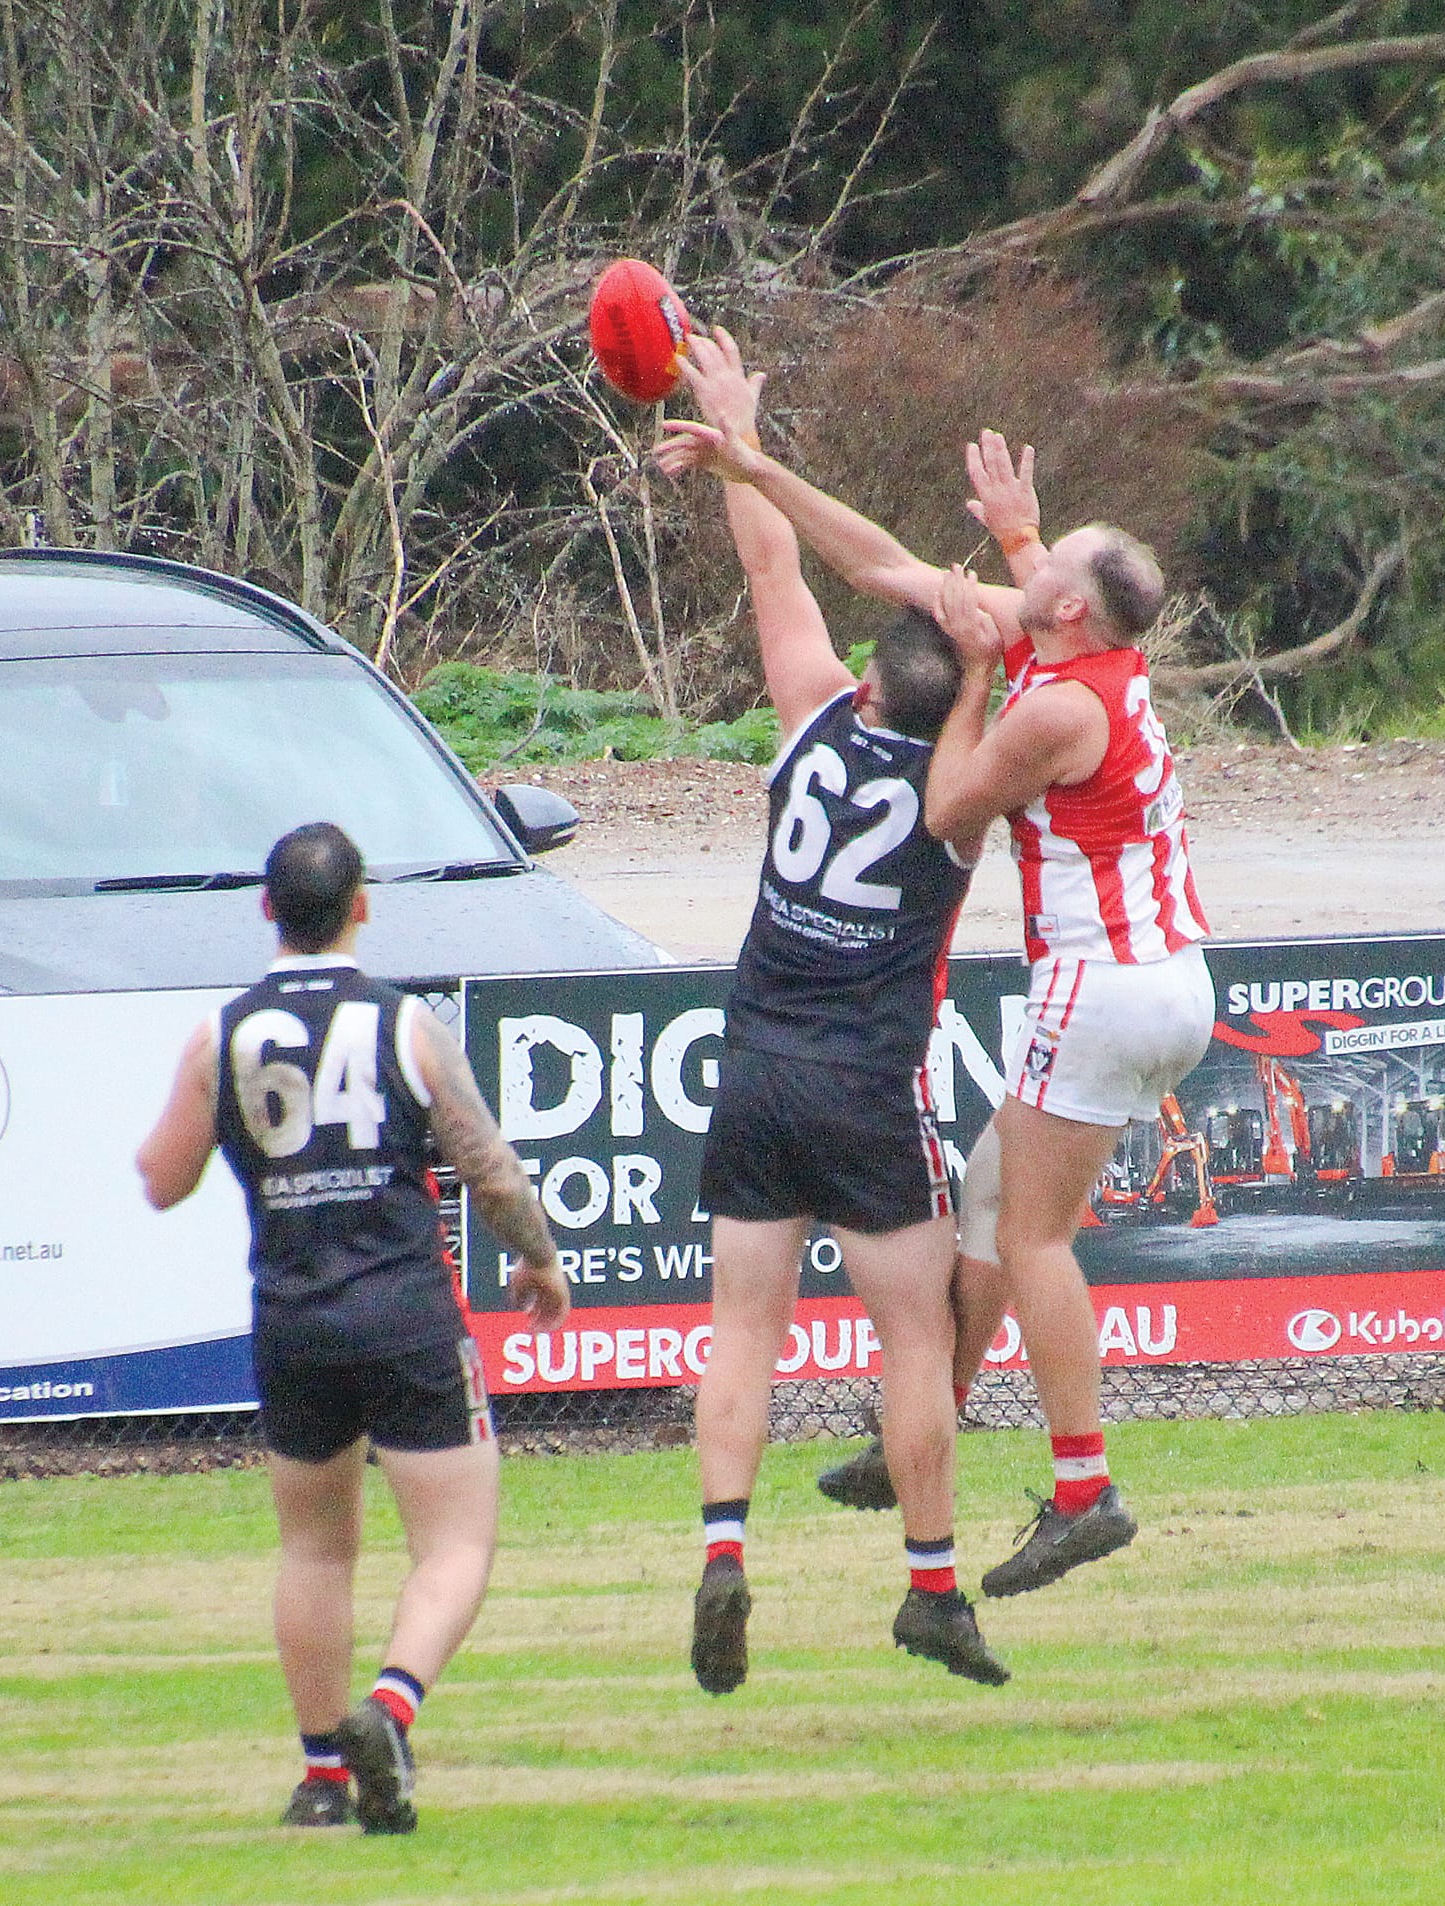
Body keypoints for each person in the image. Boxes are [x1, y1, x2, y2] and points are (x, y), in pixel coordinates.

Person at [660, 366, 1214, 1599]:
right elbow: (879, 565)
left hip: (1100, 985)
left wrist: (970, 676)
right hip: (1169, 977)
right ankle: (928, 1427)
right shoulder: (1083, 644)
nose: (1033, 551)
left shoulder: (1043, 708)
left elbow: (949, 801)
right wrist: (756, 459)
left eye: (1047, 553)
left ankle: (1085, 1488)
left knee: (1030, 1236)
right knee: (985, 1204)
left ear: (1060, 609)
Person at [655, 328, 1008, 1691]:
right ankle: (931, 1586)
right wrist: (985, 656)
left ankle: (724, 1550)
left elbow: (775, 569)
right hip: (866, 1085)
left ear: (868, 686)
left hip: (754, 1066)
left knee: (741, 1326)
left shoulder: (812, 716)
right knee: (917, 1337)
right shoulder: (961, 794)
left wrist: (735, 438)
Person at [136, 822, 568, 1833]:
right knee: (455, 1545)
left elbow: (160, 1179)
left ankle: (321, 1779)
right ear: (362, 906)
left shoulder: (221, 1036)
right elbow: (490, 1168)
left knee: (314, 1552)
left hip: (292, 1319)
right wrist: (539, 1257)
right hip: (405, 1313)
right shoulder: (404, 1025)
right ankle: (390, 1707)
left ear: (266, 911)